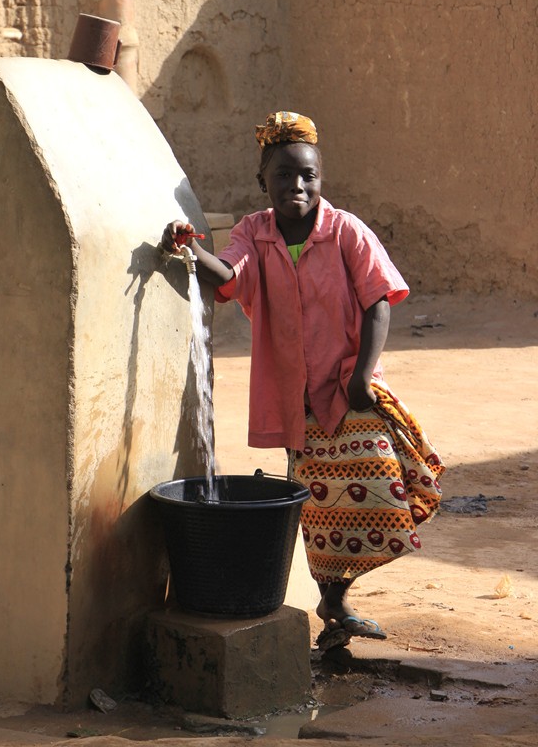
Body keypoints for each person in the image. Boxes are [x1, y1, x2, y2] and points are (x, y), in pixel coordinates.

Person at [161, 110, 445, 653]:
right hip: (297, 402)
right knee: (320, 508)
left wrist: (364, 373)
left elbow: (379, 300)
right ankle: (332, 604)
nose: (297, 186)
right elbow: (227, 277)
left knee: (386, 493)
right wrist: (191, 248)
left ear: (322, 178)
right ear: (262, 182)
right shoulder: (253, 232)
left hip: (348, 388)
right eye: (284, 176)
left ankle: (339, 594)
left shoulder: (345, 231)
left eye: (308, 176)